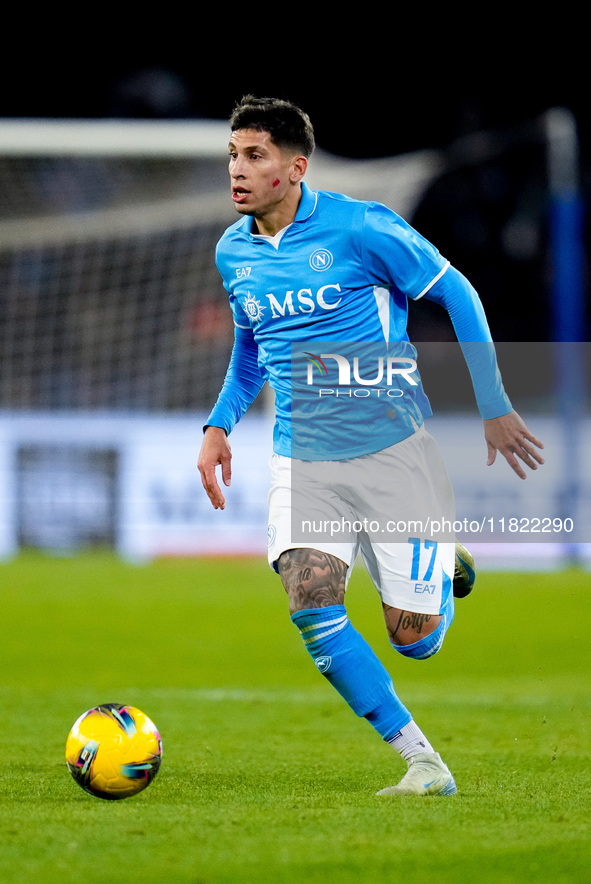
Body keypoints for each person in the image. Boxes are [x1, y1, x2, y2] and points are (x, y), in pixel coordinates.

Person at [198, 95, 544, 796]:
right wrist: (217, 426)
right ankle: (424, 763)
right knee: (310, 602)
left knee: (412, 638)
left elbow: (459, 293)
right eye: (233, 153)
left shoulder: (360, 228)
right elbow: (249, 352)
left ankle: (442, 570)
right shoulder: (233, 252)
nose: (237, 168)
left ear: (294, 167)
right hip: (303, 460)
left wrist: (494, 404)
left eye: (254, 154)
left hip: (392, 453)